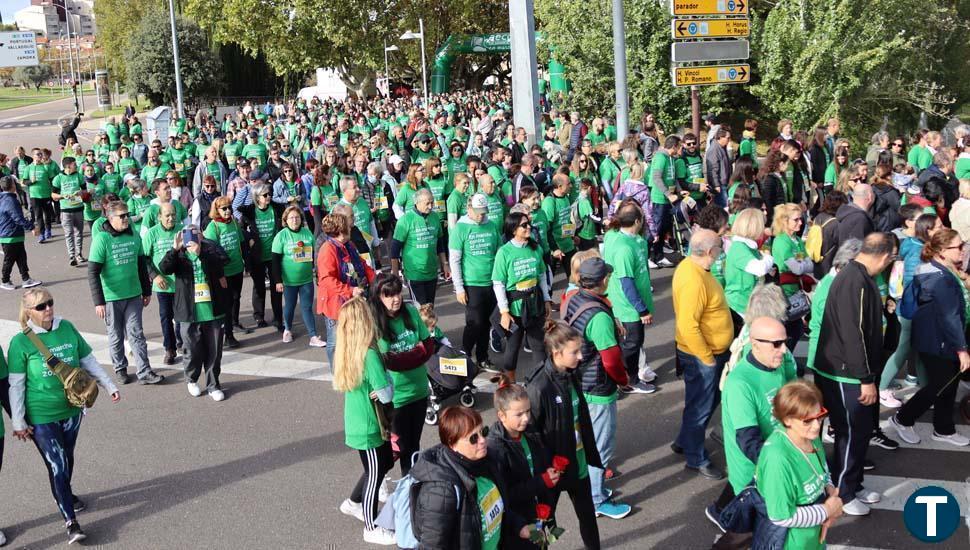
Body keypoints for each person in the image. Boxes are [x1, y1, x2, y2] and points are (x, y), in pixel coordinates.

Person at [7, 287, 120, 544]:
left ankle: (65, 494)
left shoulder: (66, 327)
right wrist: (18, 420)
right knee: (57, 464)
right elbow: (16, 385)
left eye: (50, 303)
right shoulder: (21, 343)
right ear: (29, 312)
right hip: (42, 415)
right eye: (41, 306)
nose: (48, 309)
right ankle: (71, 522)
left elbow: (88, 361)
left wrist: (109, 385)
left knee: (67, 459)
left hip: (72, 410)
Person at [814, 232, 896, 516]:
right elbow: (853, 334)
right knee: (850, 433)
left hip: (852, 372)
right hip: (845, 374)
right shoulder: (854, 280)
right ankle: (844, 493)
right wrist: (866, 379)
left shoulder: (859, 277)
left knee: (859, 433)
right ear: (885, 256)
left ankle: (853, 482)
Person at [561, 257, 634, 519]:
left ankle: (592, 489)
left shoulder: (572, 298)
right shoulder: (600, 317)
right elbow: (611, 359)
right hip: (598, 387)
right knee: (600, 445)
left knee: (586, 441)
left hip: (578, 381)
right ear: (602, 281)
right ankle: (596, 499)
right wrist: (623, 380)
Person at [525, 321, 602, 549]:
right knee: (545, 523)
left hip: (577, 463)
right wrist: (545, 469)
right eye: (575, 352)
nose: (580, 357)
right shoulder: (539, 387)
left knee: (588, 517)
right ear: (557, 353)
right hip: (553, 471)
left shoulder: (571, 374)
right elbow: (531, 432)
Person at [890, 228, 970, 447]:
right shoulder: (941, 278)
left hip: (935, 337)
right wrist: (962, 349)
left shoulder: (932, 269)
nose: (963, 251)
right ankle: (902, 418)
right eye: (959, 247)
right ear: (942, 251)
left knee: (949, 384)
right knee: (940, 385)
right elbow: (949, 316)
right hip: (939, 340)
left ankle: (943, 429)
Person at [713, 317, 797, 526]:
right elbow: (748, 441)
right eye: (777, 344)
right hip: (754, 476)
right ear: (755, 343)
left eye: (785, 341)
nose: (784, 350)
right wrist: (780, 468)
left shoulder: (774, 363)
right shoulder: (740, 383)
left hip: (776, 461)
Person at [410, 406, 530, 549]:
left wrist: (517, 524)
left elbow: (498, 508)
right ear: (452, 443)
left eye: (483, 432)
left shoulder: (487, 461)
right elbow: (432, 546)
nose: (483, 440)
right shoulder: (440, 491)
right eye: (473, 438)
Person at [331, 297, 396, 545]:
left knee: (378, 466)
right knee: (375, 474)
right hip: (370, 425)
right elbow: (386, 393)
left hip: (357, 422)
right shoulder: (369, 355)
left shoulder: (347, 350)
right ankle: (371, 526)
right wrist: (387, 382)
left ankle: (353, 502)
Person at [671, 229, 734, 480]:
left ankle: (684, 441)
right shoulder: (694, 279)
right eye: (720, 246)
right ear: (710, 252)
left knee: (702, 402)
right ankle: (696, 457)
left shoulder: (693, 268)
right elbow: (688, 325)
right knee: (701, 406)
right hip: (702, 356)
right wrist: (707, 359)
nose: (722, 250)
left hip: (707, 353)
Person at [755, 381, 843, 550]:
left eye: (820, 415)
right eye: (808, 420)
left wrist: (829, 488)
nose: (817, 425)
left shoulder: (809, 435)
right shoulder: (778, 460)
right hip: (790, 542)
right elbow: (780, 517)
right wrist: (826, 510)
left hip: (814, 535)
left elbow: (821, 468)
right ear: (788, 420)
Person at [87, 201, 164, 385]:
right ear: (110, 218)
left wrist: (146, 291)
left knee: (136, 333)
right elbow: (92, 272)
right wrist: (99, 302)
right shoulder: (102, 239)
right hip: (111, 298)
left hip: (133, 295)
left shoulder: (133, 235)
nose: (126, 219)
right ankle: (120, 368)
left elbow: (141, 265)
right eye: (122, 216)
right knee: (116, 335)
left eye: (127, 215)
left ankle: (144, 371)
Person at [369, 273, 435, 476]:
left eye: (397, 293)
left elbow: (429, 347)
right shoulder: (376, 322)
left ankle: (409, 491)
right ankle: (362, 493)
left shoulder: (410, 312)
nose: (396, 299)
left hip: (419, 390)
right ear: (379, 298)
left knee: (413, 447)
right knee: (396, 451)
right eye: (389, 295)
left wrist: (409, 356)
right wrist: (416, 353)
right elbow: (388, 361)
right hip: (397, 398)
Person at [486, 374, 560, 550]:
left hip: (540, 513)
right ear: (501, 416)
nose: (526, 418)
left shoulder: (529, 432)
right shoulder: (496, 449)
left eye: (528, 411)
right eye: (519, 414)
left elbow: (538, 464)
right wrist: (541, 482)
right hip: (519, 525)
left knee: (543, 544)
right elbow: (505, 495)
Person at [157, 224, 229, 401]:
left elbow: (222, 261)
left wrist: (201, 252)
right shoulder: (179, 256)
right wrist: (174, 249)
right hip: (189, 312)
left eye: (195, 234)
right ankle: (191, 379)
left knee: (214, 351)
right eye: (188, 235)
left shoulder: (210, 249)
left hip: (212, 311)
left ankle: (213, 385)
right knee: (192, 350)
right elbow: (164, 268)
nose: (191, 239)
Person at [602, 201, 656, 394]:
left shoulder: (621, 236)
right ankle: (630, 380)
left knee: (631, 343)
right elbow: (627, 283)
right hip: (628, 307)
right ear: (637, 221)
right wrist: (642, 309)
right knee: (632, 344)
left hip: (630, 304)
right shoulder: (624, 248)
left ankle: (627, 376)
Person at [493, 211, 552, 380]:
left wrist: (547, 299)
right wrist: (504, 312)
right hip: (515, 308)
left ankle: (543, 381)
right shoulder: (504, 252)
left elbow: (541, 276)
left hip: (535, 304)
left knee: (539, 346)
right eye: (524, 225)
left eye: (529, 224)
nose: (528, 228)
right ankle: (507, 384)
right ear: (513, 229)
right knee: (512, 348)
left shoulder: (535, 248)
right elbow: (498, 284)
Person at [450, 193, 502, 372]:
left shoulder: (491, 225)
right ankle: (465, 352)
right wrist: (459, 287)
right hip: (472, 283)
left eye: (484, 212)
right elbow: (455, 259)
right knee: (475, 322)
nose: (482, 215)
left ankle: (483, 356)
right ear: (469, 209)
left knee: (487, 322)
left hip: (491, 282)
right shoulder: (461, 228)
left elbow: (499, 252)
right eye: (478, 212)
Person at [316, 213, 375, 368]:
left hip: (352, 299)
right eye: (348, 225)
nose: (352, 226)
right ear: (340, 230)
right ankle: (337, 373)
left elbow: (362, 265)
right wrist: (350, 290)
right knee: (335, 343)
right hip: (335, 304)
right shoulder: (327, 250)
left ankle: (353, 369)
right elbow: (326, 280)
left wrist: (376, 279)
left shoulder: (349, 245)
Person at [271, 205, 326, 347]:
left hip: (306, 279)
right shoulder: (281, 236)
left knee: (307, 307)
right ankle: (287, 330)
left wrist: (318, 273)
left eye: (297, 217)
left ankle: (313, 336)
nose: (294, 220)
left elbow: (315, 255)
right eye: (291, 218)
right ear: (286, 220)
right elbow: (275, 261)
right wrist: (278, 281)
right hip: (289, 281)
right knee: (289, 306)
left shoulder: (307, 234)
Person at [203, 196, 251, 349]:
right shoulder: (213, 227)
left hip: (237, 268)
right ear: (216, 210)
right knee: (227, 303)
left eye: (229, 207)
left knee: (236, 298)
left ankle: (235, 324)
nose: (228, 210)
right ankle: (228, 335)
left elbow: (242, 243)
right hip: (224, 273)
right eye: (224, 208)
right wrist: (219, 275)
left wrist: (247, 262)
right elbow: (211, 252)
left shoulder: (234, 223)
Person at [237, 183, 285, 331]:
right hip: (257, 255)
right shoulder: (249, 212)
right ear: (257, 198)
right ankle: (259, 316)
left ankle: (278, 318)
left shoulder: (276, 209)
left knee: (276, 286)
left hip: (274, 254)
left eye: (269, 194)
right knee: (259, 288)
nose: (268, 197)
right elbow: (241, 231)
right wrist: (249, 237)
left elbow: (283, 227)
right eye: (265, 195)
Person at [142, 203, 185, 365]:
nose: (171, 218)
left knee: (182, 316)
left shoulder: (182, 230)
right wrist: (155, 276)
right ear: (159, 217)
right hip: (163, 285)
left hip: (181, 283)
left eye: (173, 214)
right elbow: (144, 258)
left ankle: (183, 344)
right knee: (166, 317)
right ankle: (170, 348)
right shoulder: (152, 234)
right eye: (167, 215)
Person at [391, 188, 448, 305]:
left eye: (432, 202)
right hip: (414, 273)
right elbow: (395, 250)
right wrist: (395, 274)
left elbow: (440, 244)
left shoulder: (435, 217)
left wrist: (445, 265)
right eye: (427, 203)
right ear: (416, 203)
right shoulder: (406, 220)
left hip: (432, 272)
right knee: (420, 310)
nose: (431, 206)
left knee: (429, 308)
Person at [724, 208, 774, 333]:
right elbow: (760, 268)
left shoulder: (748, 246)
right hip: (739, 306)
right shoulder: (739, 248)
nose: (764, 229)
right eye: (762, 225)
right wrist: (768, 257)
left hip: (749, 304)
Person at [0, 175, 41, 290]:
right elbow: (18, 218)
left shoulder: (4, 198)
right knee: (10, 259)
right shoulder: (10, 200)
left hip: (13, 234)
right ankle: (5, 280)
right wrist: (32, 227)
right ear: (13, 185)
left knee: (21, 257)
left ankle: (26, 279)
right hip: (10, 235)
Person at [648, 135, 682, 267]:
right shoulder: (660, 158)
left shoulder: (672, 158)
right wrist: (668, 194)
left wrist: (678, 191)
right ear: (674, 146)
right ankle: (649, 256)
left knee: (664, 229)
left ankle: (659, 255)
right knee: (656, 229)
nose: (681, 149)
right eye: (679, 146)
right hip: (659, 199)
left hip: (668, 200)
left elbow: (673, 178)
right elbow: (656, 178)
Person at [51, 157, 86, 266]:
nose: (76, 166)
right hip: (65, 210)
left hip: (78, 208)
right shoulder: (58, 178)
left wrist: (80, 193)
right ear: (68, 166)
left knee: (79, 233)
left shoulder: (79, 176)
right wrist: (62, 196)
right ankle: (72, 256)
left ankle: (79, 254)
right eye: (74, 164)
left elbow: (85, 190)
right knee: (69, 233)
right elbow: (53, 195)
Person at [706, 126, 732, 208]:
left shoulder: (722, 147)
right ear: (720, 137)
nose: (729, 140)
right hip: (720, 185)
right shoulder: (714, 149)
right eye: (728, 138)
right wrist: (716, 185)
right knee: (724, 208)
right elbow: (712, 170)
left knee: (724, 207)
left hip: (724, 183)